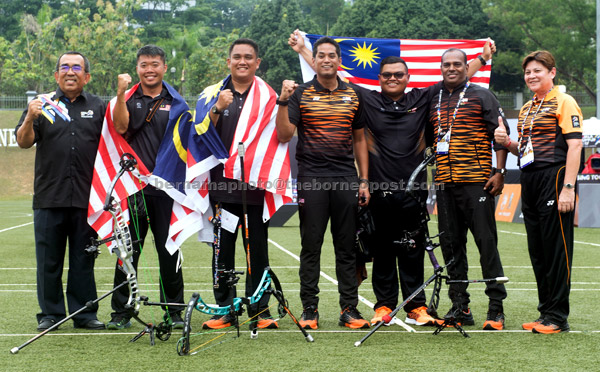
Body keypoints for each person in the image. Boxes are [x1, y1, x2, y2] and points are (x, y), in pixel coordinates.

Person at [288, 31, 494, 327]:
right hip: (378, 191)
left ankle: (416, 306)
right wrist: (304, 50)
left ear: (408, 77)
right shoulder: (365, 98)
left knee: (412, 250)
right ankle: (383, 305)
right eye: (387, 75)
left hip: (413, 192)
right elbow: (329, 70)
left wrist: (483, 58)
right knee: (382, 252)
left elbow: (456, 74)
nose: (392, 78)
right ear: (380, 78)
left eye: (398, 74)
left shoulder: (423, 97)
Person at [276, 36, 371, 330]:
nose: (327, 59)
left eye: (332, 55)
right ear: (313, 60)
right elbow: (283, 135)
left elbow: (359, 139)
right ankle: (309, 310)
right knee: (311, 246)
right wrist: (283, 99)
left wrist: (364, 180)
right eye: (321, 55)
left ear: (339, 61)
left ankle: (349, 310)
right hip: (311, 179)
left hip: (345, 179)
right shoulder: (300, 94)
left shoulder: (355, 94)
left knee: (346, 247)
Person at [15, 52, 106, 331]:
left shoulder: (99, 106)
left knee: (83, 259)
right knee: (48, 261)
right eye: (64, 67)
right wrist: (30, 117)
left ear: (86, 76)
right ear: (56, 75)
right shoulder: (42, 105)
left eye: (76, 67)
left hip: (86, 199)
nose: (70, 71)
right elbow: (23, 141)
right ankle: (50, 315)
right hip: (48, 197)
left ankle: (85, 314)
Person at [494, 50, 583, 334]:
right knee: (538, 250)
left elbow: (575, 146)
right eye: (528, 72)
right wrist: (507, 143)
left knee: (556, 249)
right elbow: (525, 152)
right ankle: (546, 313)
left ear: (552, 73)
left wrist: (568, 188)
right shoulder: (527, 108)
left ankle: (558, 317)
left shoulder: (565, 101)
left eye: (538, 71)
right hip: (530, 179)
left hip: (555, 177)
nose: (531, 76)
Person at [200, 38, 279, 330]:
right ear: (228, 61)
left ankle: (260, 310)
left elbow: (279, 139)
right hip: (223, 188)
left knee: (257, 251)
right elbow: (200, 136)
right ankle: (224, 309)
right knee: (223, 250)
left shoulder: (269, 96)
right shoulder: (212, 94)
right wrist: (218, 108)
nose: (242, 61)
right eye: (237, 57)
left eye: (248, 57)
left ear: (257, 63)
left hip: (256, 188)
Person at [107, 45, 184, 330]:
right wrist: (119, 93)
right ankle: (121, 311)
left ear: (164, 67)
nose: (149, 69)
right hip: (132, 188)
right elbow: (119, 128)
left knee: (170, 250)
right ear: (137, 68)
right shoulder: (127, 98)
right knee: (127, 252)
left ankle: (174, 311)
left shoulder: (177, 102)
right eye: (143, 64)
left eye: (154, 64)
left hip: (165, 189)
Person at [430, 48, 508, 330]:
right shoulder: (433, 96)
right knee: (451, 246)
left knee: (486, 243)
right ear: (440, 68)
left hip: (477, 182)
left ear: (466, 67)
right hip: (445, 184)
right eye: (446, 64)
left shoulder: (481, 95)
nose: (452, 68)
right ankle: (460, 307)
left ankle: (496, 309)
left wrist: (499, 172)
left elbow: (500, 135)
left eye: (457, 64)